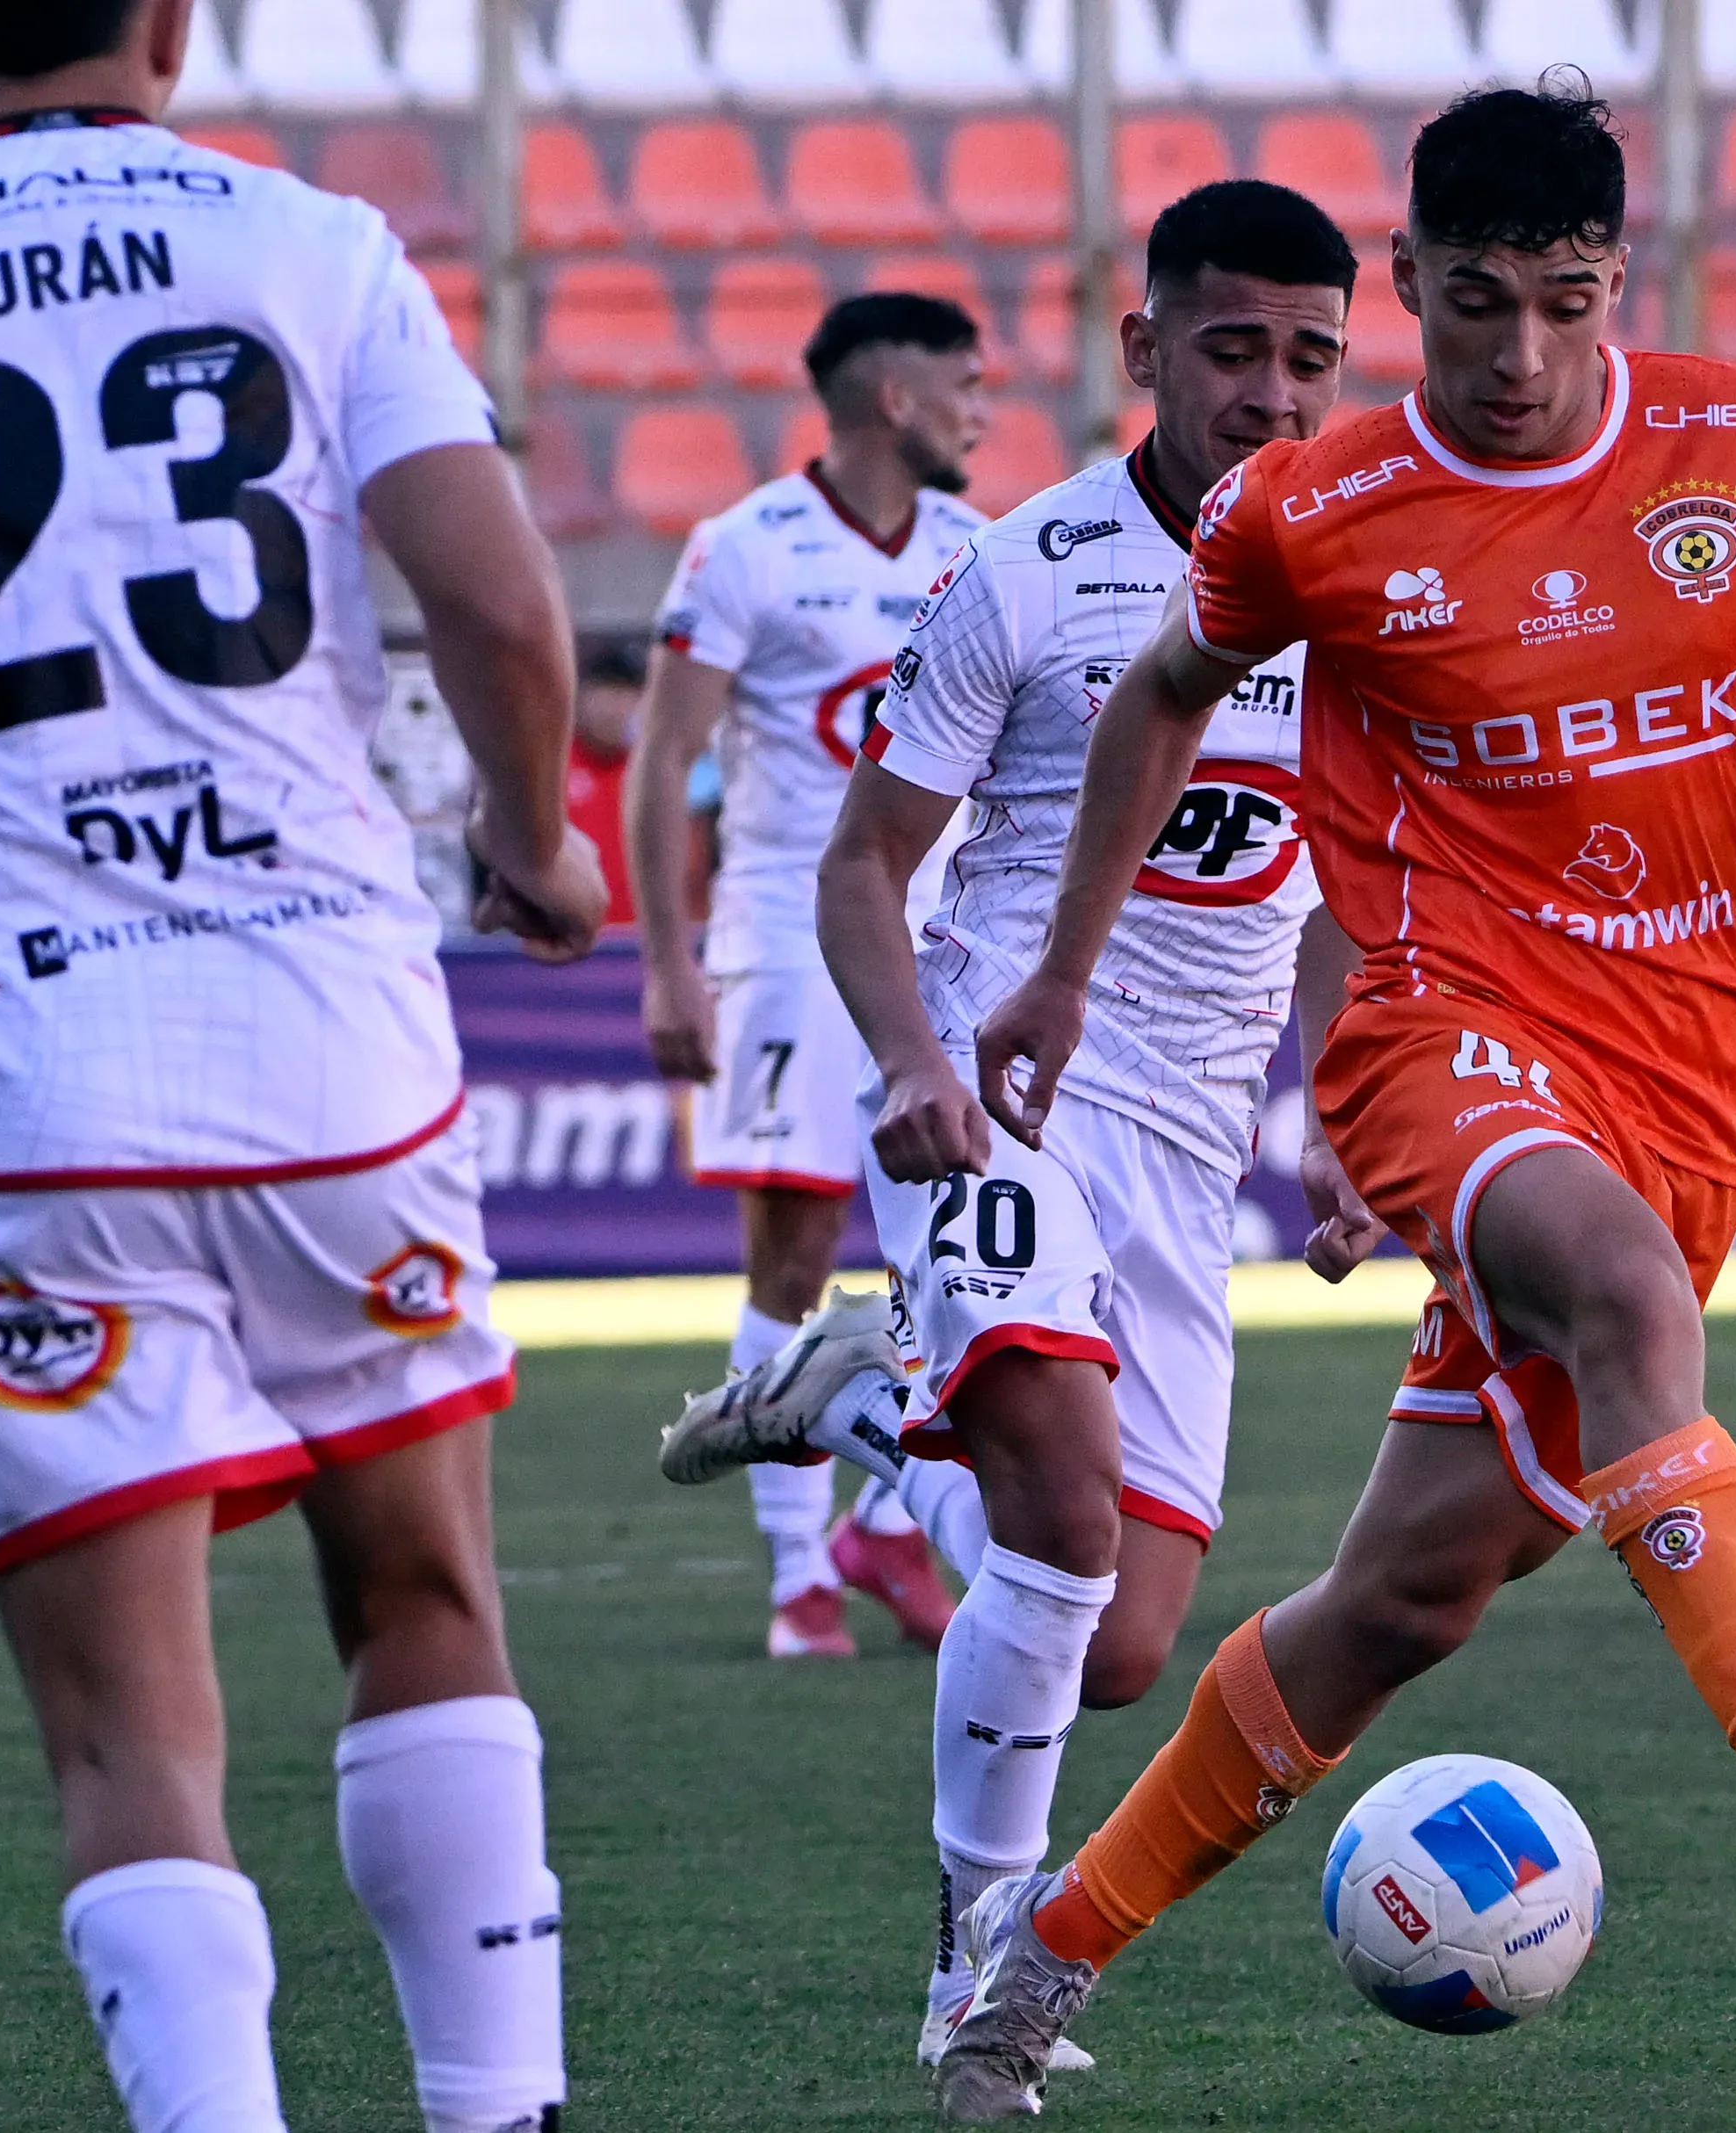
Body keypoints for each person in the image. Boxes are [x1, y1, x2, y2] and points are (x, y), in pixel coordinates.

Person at [936, 82, 1736, 2120]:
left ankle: (1032, 1959)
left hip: (1696, 1072)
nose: (1519, 357)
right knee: (1615, 1293)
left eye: (1566, 302)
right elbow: (1159, 702)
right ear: (1407, 280)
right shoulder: (1310, 512)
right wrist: (1060, 968)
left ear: (1625, 282)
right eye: (1476, 305)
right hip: (1439, 1038)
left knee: (1399, 1598)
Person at [0, 4, 609, 2129]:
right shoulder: (312, 245)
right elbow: (502, 610)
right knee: (427, 1594)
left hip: (34, 1091)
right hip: (331, 1056)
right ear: (174, 22)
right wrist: (529, 832)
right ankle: (502, 2107)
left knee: (130, 1740)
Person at [663, 177, 1361, 2080]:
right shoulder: (1031, 571)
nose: (1276, 397)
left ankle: (865, 1400)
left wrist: (1347, 1114)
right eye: (1233, 350)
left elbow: (1336, 894)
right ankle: (982, 1961)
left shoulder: (1363, 579)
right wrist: (913, 1062)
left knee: (1118, 1641)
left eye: (1313, 358)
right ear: (1144, 351)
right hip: (1007, 1098)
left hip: (1191, 1147)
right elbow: (863, 865)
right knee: (1054, 1507)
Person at [624, 293, 989, 1659]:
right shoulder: (744, 551)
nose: (981, 410)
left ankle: (887, 1528)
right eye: (962, 384)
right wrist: (669, 965)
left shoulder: (976, 548)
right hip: (784, 931)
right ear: (891, 399)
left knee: (952, 1243)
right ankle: (795, 1573)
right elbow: (665, 764)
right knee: (790, 1245)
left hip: (946, 933)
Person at [565, 636, 645, 929]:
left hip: (641, 942)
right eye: (607, 691)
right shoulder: (550, 765)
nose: (616, 708)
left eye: (628, 694)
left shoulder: (659, 772)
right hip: (569, 941)